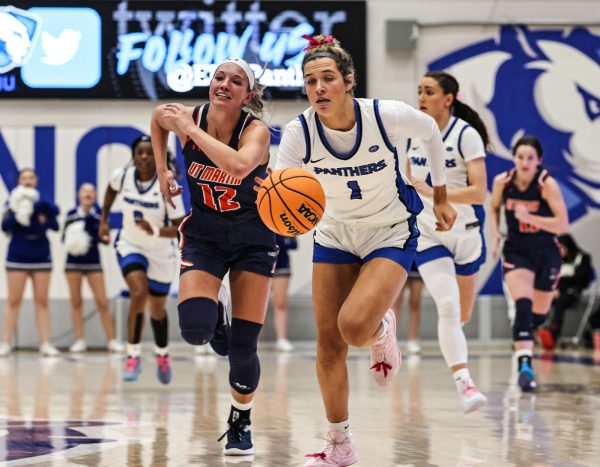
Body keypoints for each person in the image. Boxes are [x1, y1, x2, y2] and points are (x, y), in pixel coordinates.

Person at [276, 35, 456, 466]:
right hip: (335, 233)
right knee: (327, 345)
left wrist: (443, 195)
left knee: (353, 328)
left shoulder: (382, 114)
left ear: (348, 81)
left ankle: (381, 331)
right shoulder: (300, 132)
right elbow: (279, 187)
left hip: (388, 231)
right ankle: (340, 444)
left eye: (327, 79)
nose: (318, 88)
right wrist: (280, 212)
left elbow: (431, 131)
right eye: (310, 81)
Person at [151, 57, 277, 456]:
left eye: (235, 81)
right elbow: (157, 116)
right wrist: (162, 167)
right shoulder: (190, 116)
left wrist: (187, 130)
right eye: (219, 77)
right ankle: (216, 319)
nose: (224, 84)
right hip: (205, 234)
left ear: (248, 95)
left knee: (243, 349)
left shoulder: (256, 131)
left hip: (252, 238)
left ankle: (240, 420)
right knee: (195, 331)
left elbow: (239, 167)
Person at [406, 70, 488, 412]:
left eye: (429, 92)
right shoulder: (412, 132)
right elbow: (406, 175)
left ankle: (456, 346)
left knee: (461, 315)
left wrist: (439, 193)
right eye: (419, 91)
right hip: (429, 234)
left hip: (466, 234)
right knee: (448, 307)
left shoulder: (465, 135)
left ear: (448, 99)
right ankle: (465, 384)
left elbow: (479, 192)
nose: (422, 97)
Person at [99, 135, 185, 384]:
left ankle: (162, 354)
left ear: (160, 157)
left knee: (157, 309)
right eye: (140, 153)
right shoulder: (122, 176)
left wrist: (155, 230)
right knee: (139, 293)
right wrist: (104, 220)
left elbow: (180, 228)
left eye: (150, 153)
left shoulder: (169, 188)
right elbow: (110, 191)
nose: (145, 157)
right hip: (130, 244)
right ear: (134, 156)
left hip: (161, 251)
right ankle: (133, 355)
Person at [490, 135, 569, 391]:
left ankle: (526, 334)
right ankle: (525, 365)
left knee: (538, 315)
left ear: (539, 161)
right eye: (520, 157)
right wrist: (494, 236)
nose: (524, 162)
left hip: (546, 251)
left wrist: (531, 218)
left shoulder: (547, 184)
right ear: (514, 158)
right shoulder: (503, 182)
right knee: (522, 305)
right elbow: (493, 207)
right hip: (517, 250)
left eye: (530, 158)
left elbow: (562, 224)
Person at [0, 168, 60, 357]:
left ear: (36, 181)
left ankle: (45, 343)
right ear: (18, 181)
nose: (27, 181)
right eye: (24, 178)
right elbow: (5, 227)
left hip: (41, 256)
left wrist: (39, 211)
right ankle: (6, 342)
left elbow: (54, 225)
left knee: (41, 301)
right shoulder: (11, 201)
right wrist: (15, 210)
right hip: (17, 256)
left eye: (31, 177)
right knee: (13, 301)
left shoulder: (43, 201)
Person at [63, 183, 124, 353]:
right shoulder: (71, 215)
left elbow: (105, 239)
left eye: (91, 192)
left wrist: (97, 235)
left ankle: (111, 340)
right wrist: (75, 241)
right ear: (78, 194)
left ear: (96, 196)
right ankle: (79, 340)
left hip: (93, 263)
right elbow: (64, 238)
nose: (88, 194)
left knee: (102, 302)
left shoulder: (99, 216)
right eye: (84, 191)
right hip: (73, 263)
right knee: (76, 302)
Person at [538, 234, 594, 350]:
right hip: (556, 292)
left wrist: (561, 285)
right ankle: (536, 331)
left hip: (573, 293)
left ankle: (553, 333)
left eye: (561, 248)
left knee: (560, 302)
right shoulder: (557, 261)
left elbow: (580, 278)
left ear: (568, 246)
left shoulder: (583, 258)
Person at [273, 234, 298, 352]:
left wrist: (286, 237)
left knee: (281, 303)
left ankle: (281, 339)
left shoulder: (284, 221)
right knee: (255, 305)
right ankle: (251, 339)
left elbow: (294, 244)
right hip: (261, 263)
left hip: (281, 265)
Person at [391, 265, 424, 355]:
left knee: (415, 303)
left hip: (417, 262)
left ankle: (412, 340)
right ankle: (391, 340)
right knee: (395, 303)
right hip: (401, 259)